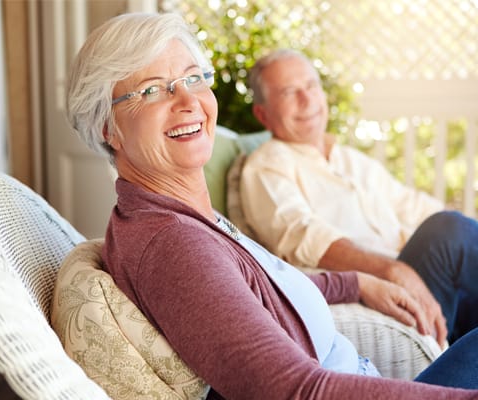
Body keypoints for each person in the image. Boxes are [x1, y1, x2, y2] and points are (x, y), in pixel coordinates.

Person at [64, 11, 478, 399]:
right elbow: (295, 392)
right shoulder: (174, 245)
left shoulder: (182, 216)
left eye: (193, 79)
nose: (187, 101)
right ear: (109, 127)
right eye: (152, 90)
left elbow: (260, 287)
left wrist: (356, 282)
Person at [240, 48, 478, 347]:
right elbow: (302, 235)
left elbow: (416, 207)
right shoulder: (268, 164)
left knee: (453, 229)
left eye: (311, 86)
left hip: (426, 280)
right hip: (380, 288)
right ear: (263, 114)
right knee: (449, 229)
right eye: (289, 92)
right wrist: (392, 269)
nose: (307, 99)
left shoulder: (352, 160)